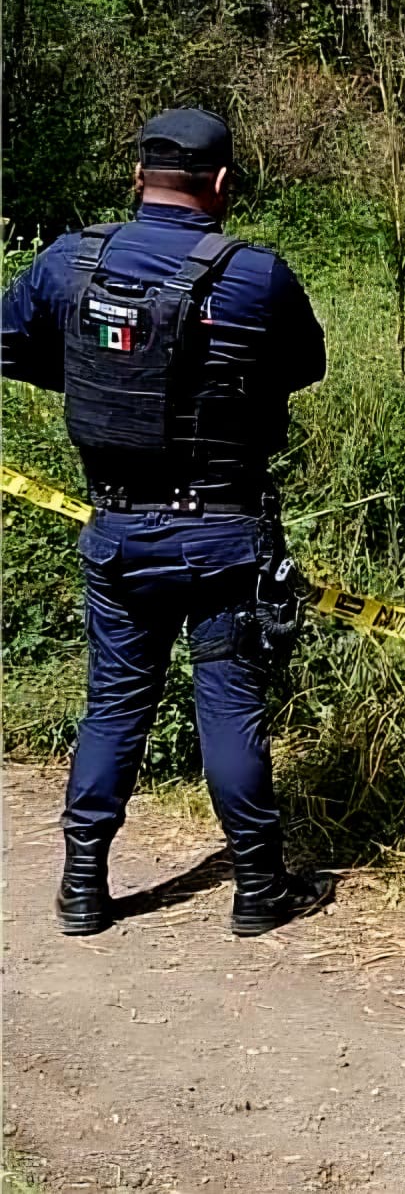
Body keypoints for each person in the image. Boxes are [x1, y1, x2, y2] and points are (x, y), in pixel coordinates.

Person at [2, 108, 333, 939]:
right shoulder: (256, 276)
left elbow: (9, 347)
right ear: (221, 184)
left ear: (137, 176)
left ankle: (82, 887)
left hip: (117, 527)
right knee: (228, 703)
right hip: (224, 535)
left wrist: (97, 375)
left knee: (114, 706)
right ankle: (258, 889)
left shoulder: (67, 264)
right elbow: (307, 365)